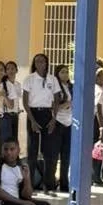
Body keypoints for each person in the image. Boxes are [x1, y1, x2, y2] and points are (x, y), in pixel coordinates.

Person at [22, 52, 61, 191]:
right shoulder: (29, 79)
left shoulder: (52, 79)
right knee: (32, 150)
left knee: (48, 151)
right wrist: (32, 120)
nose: (40, 64)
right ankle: (30, 184)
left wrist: (53, 119)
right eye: (37, 61)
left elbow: (56, 100)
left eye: (42, 61)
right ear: (34, 64)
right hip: (33, 113)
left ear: (46, 64)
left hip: (47, 114)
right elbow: (25, 101)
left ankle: (48, 184)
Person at [0, 138, 52, 205]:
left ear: (18, 150)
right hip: (2, 204)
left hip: (18, 202)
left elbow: (27, 195)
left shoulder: (21, 166)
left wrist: (27, 178)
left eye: (12, 149)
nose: (8, 153)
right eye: (5, 149)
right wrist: (21, 202)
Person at [51, 61, 75, 193]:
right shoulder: (55, 88)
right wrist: (64, 105)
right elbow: (53, 106)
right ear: (57, 74)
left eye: (67, 72)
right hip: (58, 121)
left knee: (66, 155)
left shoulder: (72, 87)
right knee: (55, 154)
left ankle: (64, 183)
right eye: (62, 72)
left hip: (69, 122)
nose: (65, 74)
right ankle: (51, 182)